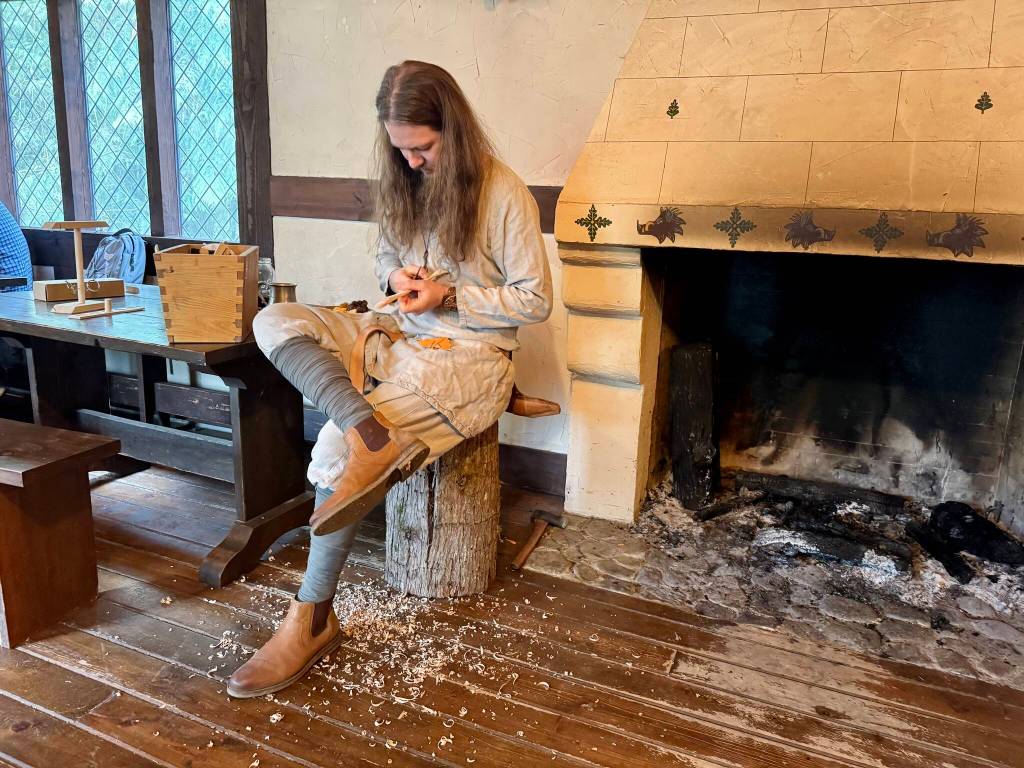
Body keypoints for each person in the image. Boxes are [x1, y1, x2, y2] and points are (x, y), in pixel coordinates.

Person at [227, 61, 552, 698]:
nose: (410, 162)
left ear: (452, 133)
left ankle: (311, 619)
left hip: (469, 353)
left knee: (335, 457)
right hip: (398, 330)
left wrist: (449, 297)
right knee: (275, 319)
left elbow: (534, 300)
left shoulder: (503, 190)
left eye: (422, 148)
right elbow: (387, 260)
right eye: (399, 149)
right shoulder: (405, 179)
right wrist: (396, 283)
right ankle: (368, 431)